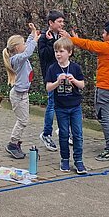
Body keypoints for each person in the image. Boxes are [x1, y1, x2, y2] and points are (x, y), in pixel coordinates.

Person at [61, 21, 109, 161]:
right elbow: (89, 44)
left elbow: (89, 44)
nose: (102, 35)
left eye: (103, 33)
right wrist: (76, 39)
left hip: (106, 88)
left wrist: (69, 38)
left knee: (104, 118)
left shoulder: (108, 47)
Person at [45, 37, 87, 174]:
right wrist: (57, 82)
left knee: (77, 134)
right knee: (63, 134)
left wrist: (73, 80)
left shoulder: (75, 67)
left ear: (69, 52)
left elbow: (82, 85)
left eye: (61, 51)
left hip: (75, 106)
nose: (58, 54)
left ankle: (79, 160)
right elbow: (48, 88)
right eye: (56, 51)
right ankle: (64, 159)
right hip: (60, 107)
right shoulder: (52, 68)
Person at [2, 23, 40, 159]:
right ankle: (12, 144)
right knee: (22, 121)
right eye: (23, 43)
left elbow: (27, 49)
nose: (25, 45)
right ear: (17, 48)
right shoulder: (16, 59)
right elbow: (28, 51)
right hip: (18, 95)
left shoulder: (20, 56)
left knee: (23, 120)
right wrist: (35, 40)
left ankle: (15, 143)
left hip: (23, 94)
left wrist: (32, 34)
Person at [38, 11, 65, 151]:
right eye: (59, 21)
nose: (62, 24)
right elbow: (44, 56)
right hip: (51, 75)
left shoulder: (61, 36)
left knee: (63, 103)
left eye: (62, 21)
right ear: (51, 23)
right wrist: (51, 42)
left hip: (63, 74)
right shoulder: (43, 37)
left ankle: (64, 131)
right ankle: (46, 133)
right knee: (52, 104)